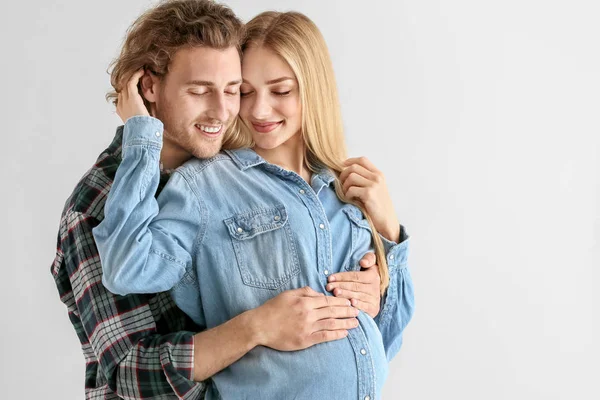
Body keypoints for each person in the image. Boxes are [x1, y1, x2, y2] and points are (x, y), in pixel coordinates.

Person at [50, 1, 383, 399]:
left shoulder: (238, 174)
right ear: (149, 87)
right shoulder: (95, 205)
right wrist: (255, 327)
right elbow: (128, 371)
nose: (224, 111)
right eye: (199, 91)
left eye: (232, 90)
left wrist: (371, 274)